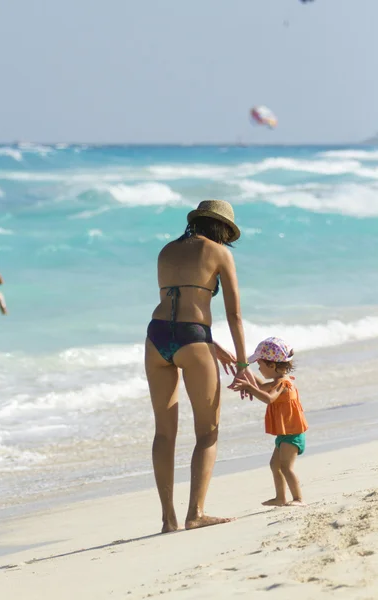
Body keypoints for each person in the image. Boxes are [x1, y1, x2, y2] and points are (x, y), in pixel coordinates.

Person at [145, 199, 257, 533]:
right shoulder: (219, 253)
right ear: (222, 228)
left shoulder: (166, 250)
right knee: (208, 432)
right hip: (193, 339)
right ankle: (195, 513)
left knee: (164, 432)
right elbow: (234, 315)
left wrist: (210, 344)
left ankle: (168, 519)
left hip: (156, 338)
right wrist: (241, 363)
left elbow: (176, 304)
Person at [230, 337, 308, 507]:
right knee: (275, 465)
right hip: (285, 434)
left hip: (292, 434)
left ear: (272, 365)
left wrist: (249, 387)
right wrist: (245, 372)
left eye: (260, 365)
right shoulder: (276, 382)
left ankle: (298, 499)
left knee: (286, 467)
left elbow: (269, 398)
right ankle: (280, 498)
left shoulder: (284, 384)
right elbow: (260, 387)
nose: (259, 368)